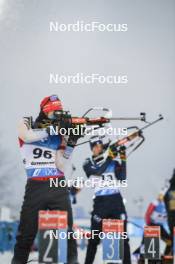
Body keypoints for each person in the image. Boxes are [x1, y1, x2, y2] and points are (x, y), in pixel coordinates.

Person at [11, 95, 80, 264]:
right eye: (53, 112)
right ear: (44, 111)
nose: (56, 116)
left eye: (59, 112)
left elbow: (61, 164)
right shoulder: (27, 121)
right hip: (36, 184)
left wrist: (71, 142)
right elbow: (25, 135)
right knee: (26, 233)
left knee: (68, 231)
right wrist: (53, 129)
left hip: (57, 184)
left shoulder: (58, 135)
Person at [83, 135, 131, 264]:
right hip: (100, 203)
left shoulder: (112, 162)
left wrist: (123, 158)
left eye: (100, 146)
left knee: (123, 237)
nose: (98, 148)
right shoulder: (88, 162)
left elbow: (122, 178)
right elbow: (98, 172)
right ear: (92, 149)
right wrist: (109, 157)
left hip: (116, 201)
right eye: (96, 146)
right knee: (94, 239)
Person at [133, 192, 171, 259]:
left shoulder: (170, 204)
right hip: (152, 225)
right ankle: (134, 256)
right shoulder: (156, 202)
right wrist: (148, 225)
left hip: (160, 226)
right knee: (146, 245)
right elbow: (148, 213)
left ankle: (166, 258)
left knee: (170, 241)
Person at [164, 169, 175, 255]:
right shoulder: (172, 190)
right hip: (172, 219)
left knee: (171, 238)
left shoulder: (170, 188)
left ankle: (168, 254)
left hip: (171, 220)